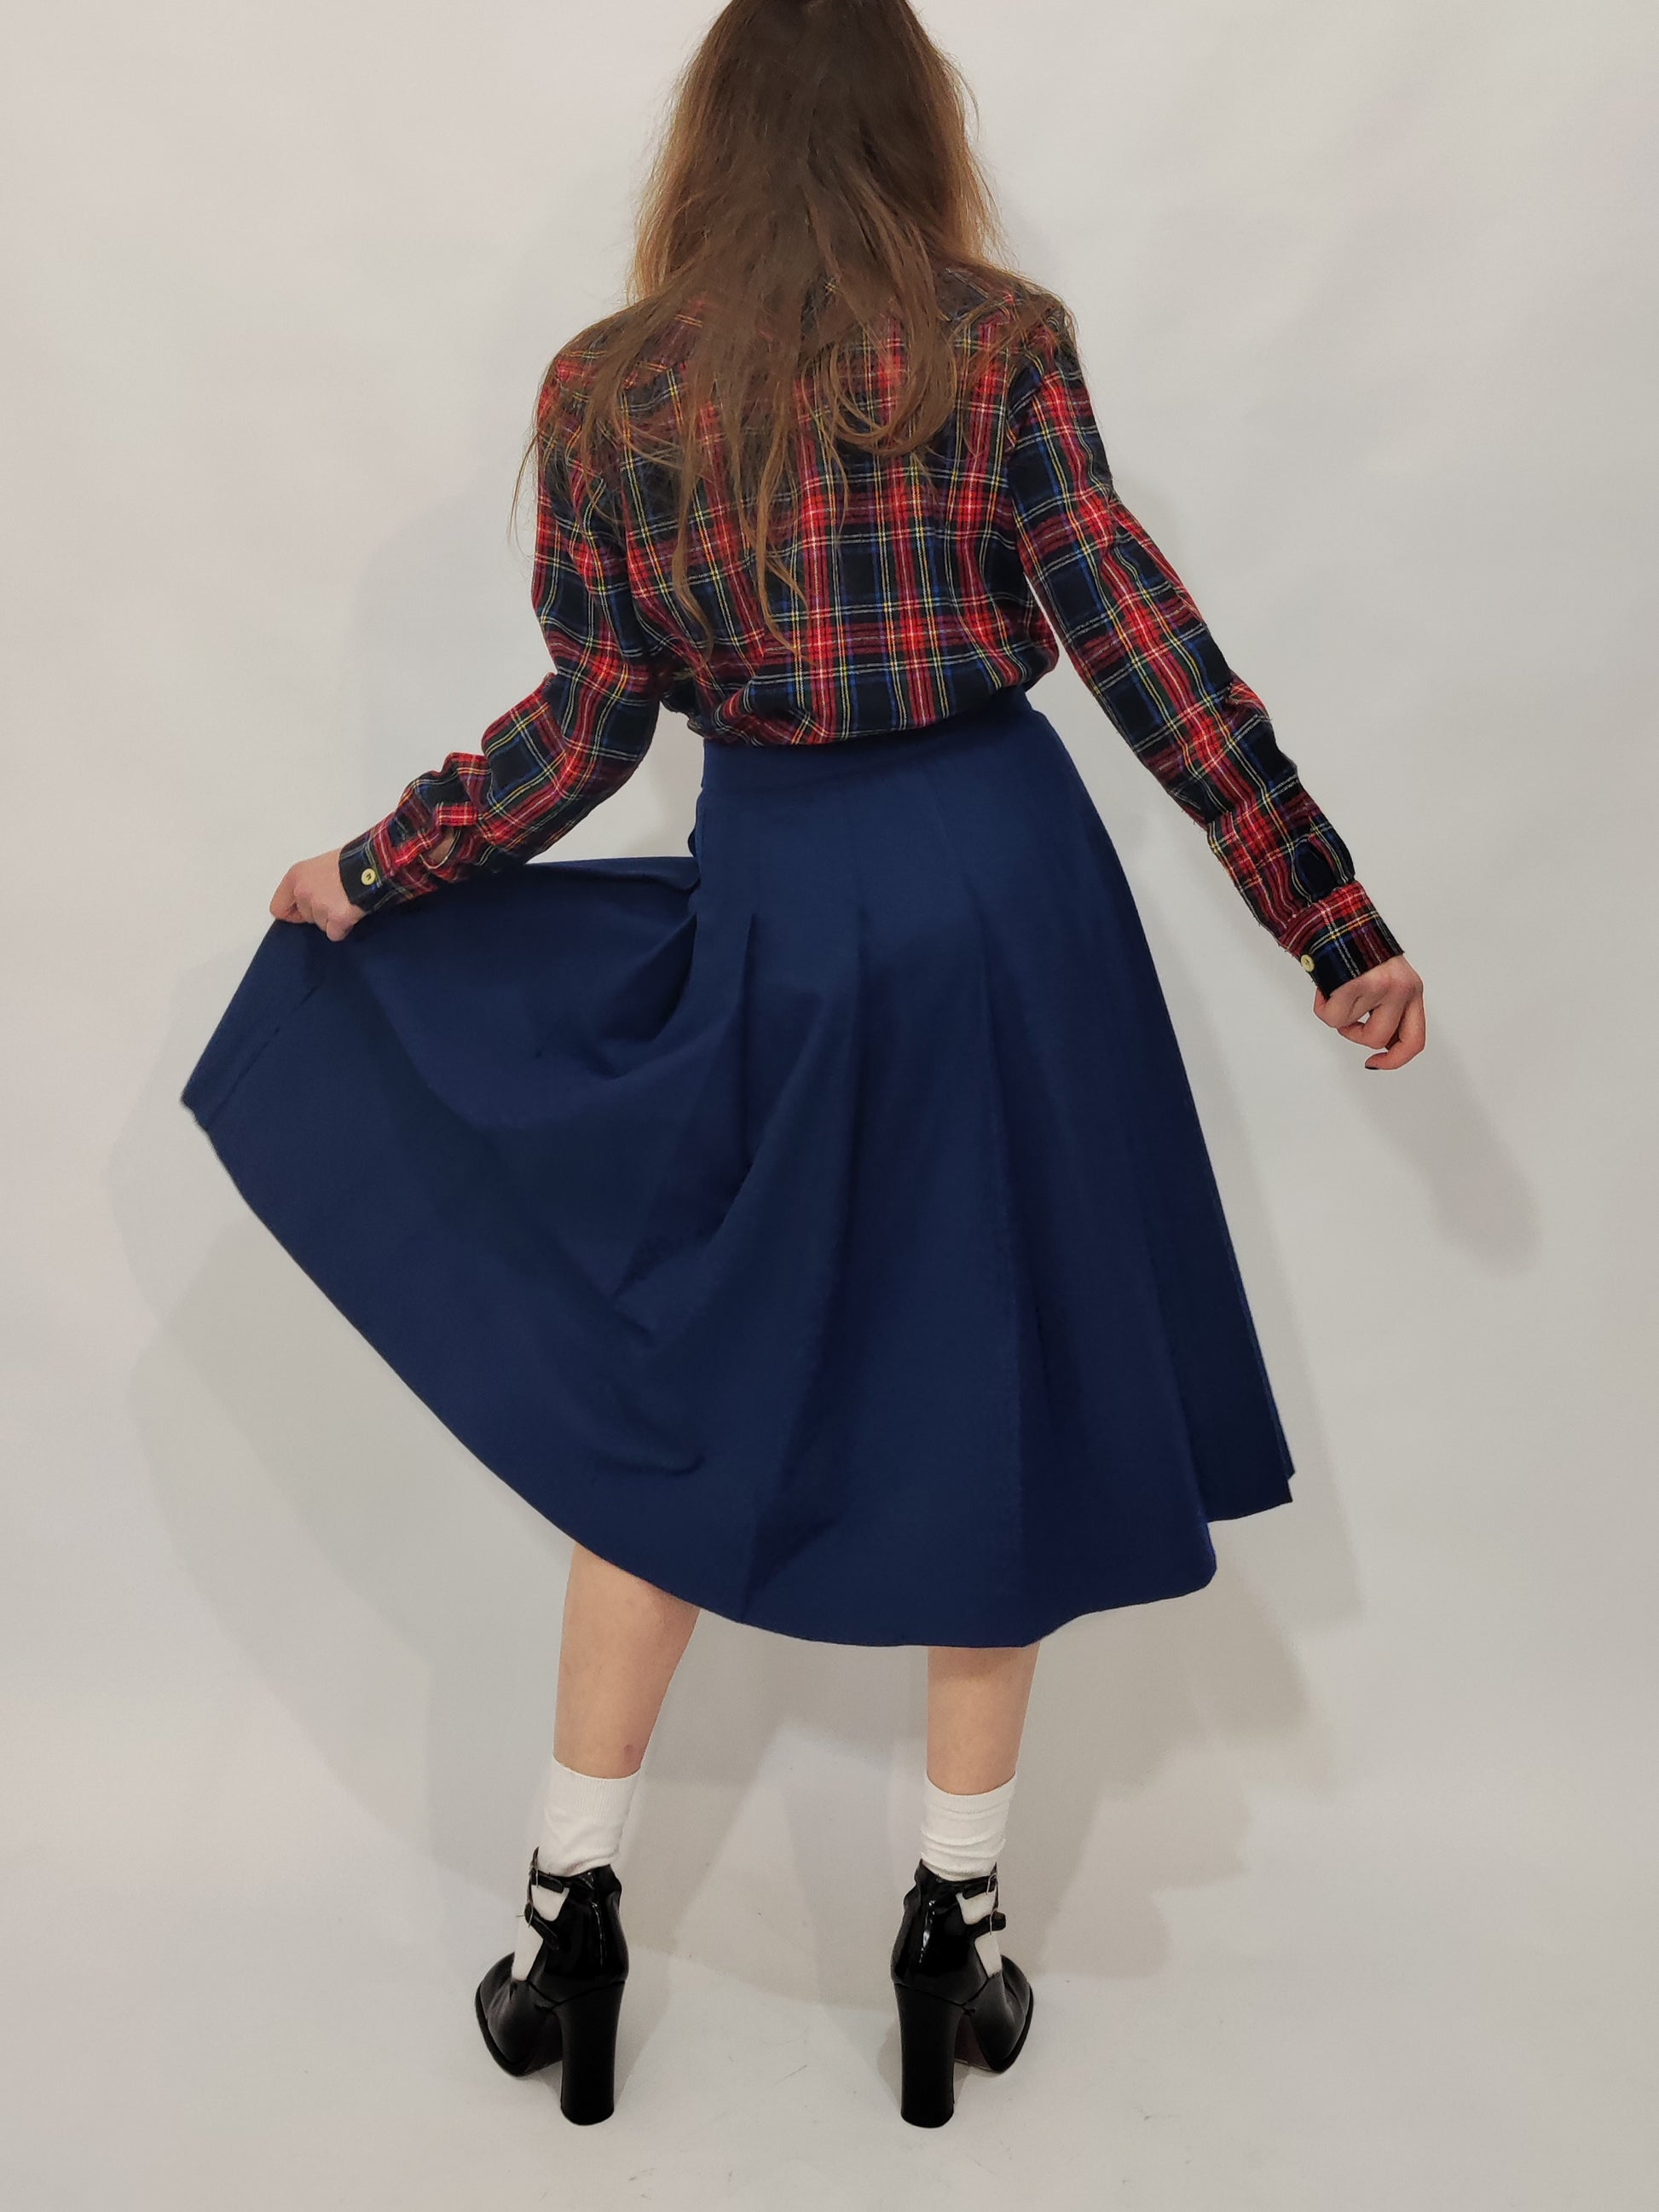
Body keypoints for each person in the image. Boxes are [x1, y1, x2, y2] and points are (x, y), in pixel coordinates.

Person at [182, 0, 1424, 2133]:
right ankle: (958, 1928)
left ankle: (564, 1920)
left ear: (712, 137)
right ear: (912, 122)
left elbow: (589, 727)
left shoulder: (609, 388)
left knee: (677, 1394)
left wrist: (376, 871)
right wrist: (1327, 911)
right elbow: (1145, 647)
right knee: (997, 1374)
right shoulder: (999, 345)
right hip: (1009, 900)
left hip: (787, 908)